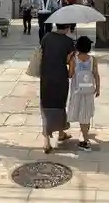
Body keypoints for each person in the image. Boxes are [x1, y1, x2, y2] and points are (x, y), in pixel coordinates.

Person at [40, 24, 75, 153]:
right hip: (60, 77)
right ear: (67, 27)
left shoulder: (46, 37)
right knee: (60, 105)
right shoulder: (69, 42)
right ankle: (61, 132)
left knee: (46, 105)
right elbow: (71, 63)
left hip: (46, 76)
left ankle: (47, 142)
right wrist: (70, 75)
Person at [68, 36, 100, 152]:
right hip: (89, 90)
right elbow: (96, 74)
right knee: (86, 112)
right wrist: (98, 88)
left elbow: (70, 75)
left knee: (81, 113)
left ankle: (85, 140)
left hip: (77, 90)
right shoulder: (93, 59)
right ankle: (85, 134)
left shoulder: (74, 59)